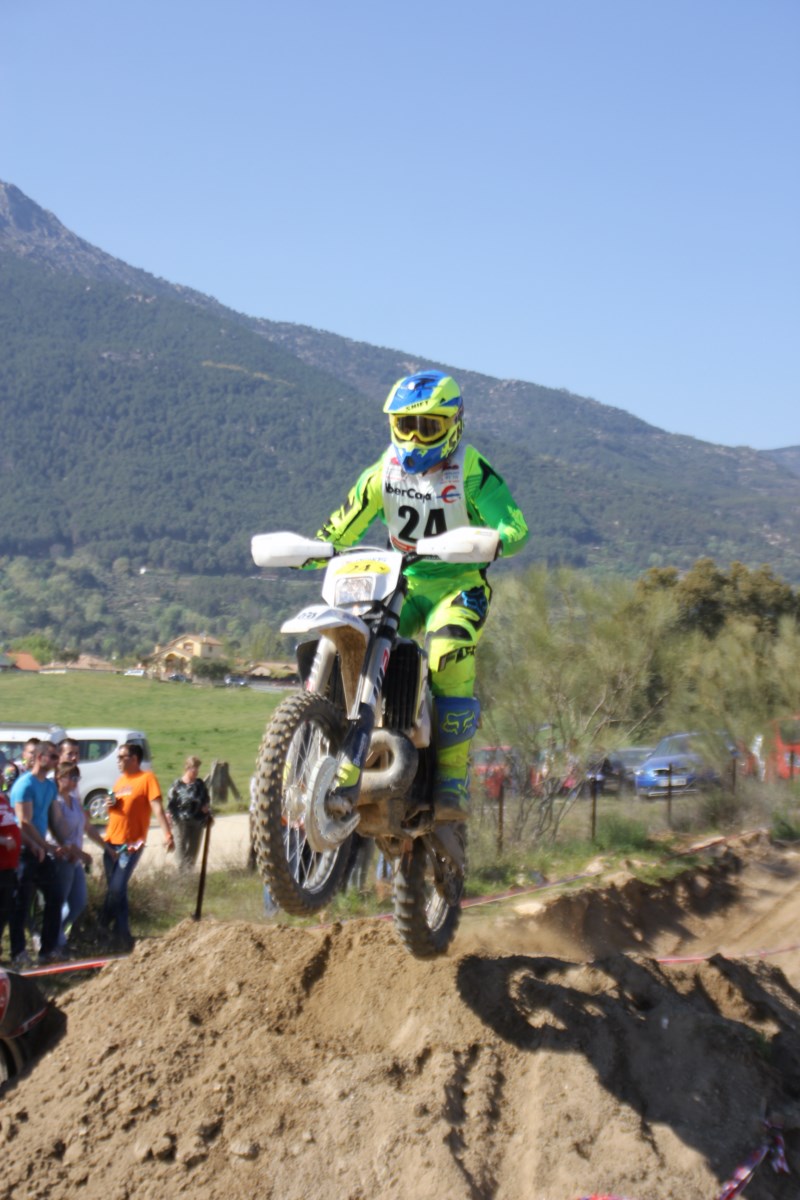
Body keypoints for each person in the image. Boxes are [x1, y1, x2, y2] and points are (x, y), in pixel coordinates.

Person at [316, 370, 529, 821]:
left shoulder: (471, 471)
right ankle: (327, 743)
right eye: (405, 426)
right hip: (403, 581)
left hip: (460, 584)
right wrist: (315, 550)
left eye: (428, 427)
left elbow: (516, 527)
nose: (414, 438)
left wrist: (496, 541)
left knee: (449, 651)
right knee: (355, 636)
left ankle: (451, 778)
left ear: (453, 425)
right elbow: (343, 524)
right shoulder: (383, 473)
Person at [101, 742, 174, 951]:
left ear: (134, 759)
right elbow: (116, 811)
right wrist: (111, 805)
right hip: (111, 842)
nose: (118, 761)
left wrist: (167, 834)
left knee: (116, 888)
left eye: (121, 757)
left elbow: (157, 808)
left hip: (130, 845)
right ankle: (121, 936)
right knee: (116, 891)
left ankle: (103, 925)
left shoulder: (147, 779)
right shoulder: (120, 781)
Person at [9, 742, 64, 965]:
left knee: (55, 895)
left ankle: (48, 950)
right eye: (53, 757)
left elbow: (52, 819)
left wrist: (64, 843)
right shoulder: (25, 785)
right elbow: (23, 822)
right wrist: (44, 846)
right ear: (40, 757)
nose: (56, 761)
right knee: (21, 902)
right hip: (24, 848)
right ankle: (18, 952)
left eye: (57, 757)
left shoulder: (49, 786)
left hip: (40, 848)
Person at [50, 763, 106, 952]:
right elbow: (59, 835)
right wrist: (79, 854)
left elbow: (87, 826)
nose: (75, 782)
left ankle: (54, 933)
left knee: (78, 901)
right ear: (59, 778)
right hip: (62, 857)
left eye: (77, 778)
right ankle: (55, 942)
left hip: (75, 859)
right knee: (60, 902)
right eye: (71, 777)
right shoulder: (55, 802)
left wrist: (104, 846)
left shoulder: (74, 801)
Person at [166, 756, 211, 870]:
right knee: (180, 853)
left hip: (197, 822)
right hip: (180, 822)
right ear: (187, 768)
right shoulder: (177, 785)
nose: (196, 771)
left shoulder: (200, 784)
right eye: (193, 768)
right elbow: (170, 804)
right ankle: (181, 875)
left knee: (193, 853)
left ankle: (189, 876)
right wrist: (169, 820)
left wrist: (205, 807)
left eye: (197, 768)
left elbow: (206, 799)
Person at [0, 755, 22, 962]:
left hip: (8, 866)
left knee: (5, 911)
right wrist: (3, 840)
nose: (2, 776)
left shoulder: (2, 799)